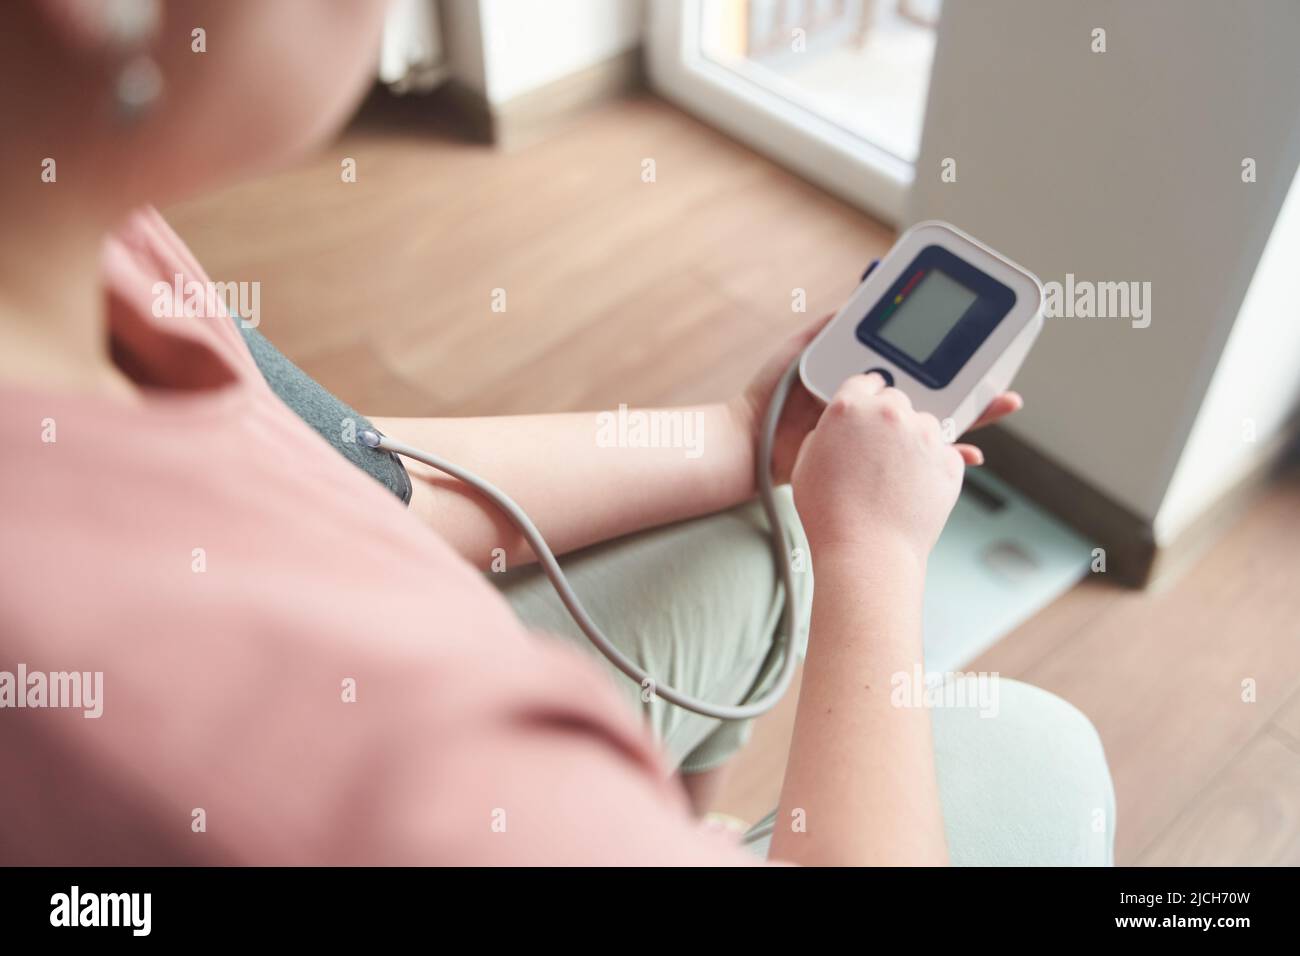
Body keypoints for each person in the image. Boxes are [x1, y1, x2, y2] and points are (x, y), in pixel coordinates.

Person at [0, 0, 1113, 865]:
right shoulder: (380, 775)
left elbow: (353, 475)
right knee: (1045, 757)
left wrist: (746, 436)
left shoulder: (90, 245)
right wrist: (876, 555)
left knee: (754, 545)